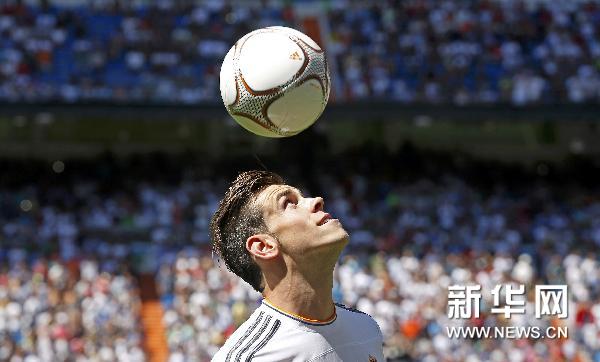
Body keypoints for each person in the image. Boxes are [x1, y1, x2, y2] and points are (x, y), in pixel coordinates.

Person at [210, 170, 384, 361]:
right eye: (289, 203)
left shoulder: (366, 328)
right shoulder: (251, 357)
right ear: (264, 246)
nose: (317, 200)